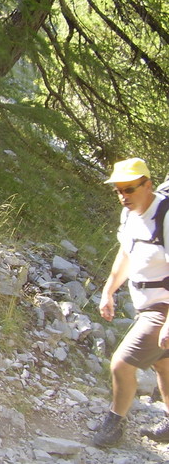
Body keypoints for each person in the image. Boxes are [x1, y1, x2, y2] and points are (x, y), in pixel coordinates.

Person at [93, 158, 169, 447]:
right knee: (164, 365)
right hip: (146, 304)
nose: (123, 196)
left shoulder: (166, 216)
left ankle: (114, 425)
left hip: (162, 308)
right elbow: (126, 254)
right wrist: (108, 291)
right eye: (118, 190)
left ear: (148, 185)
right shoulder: (130, 215)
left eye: (130, 189)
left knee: (122, 365)